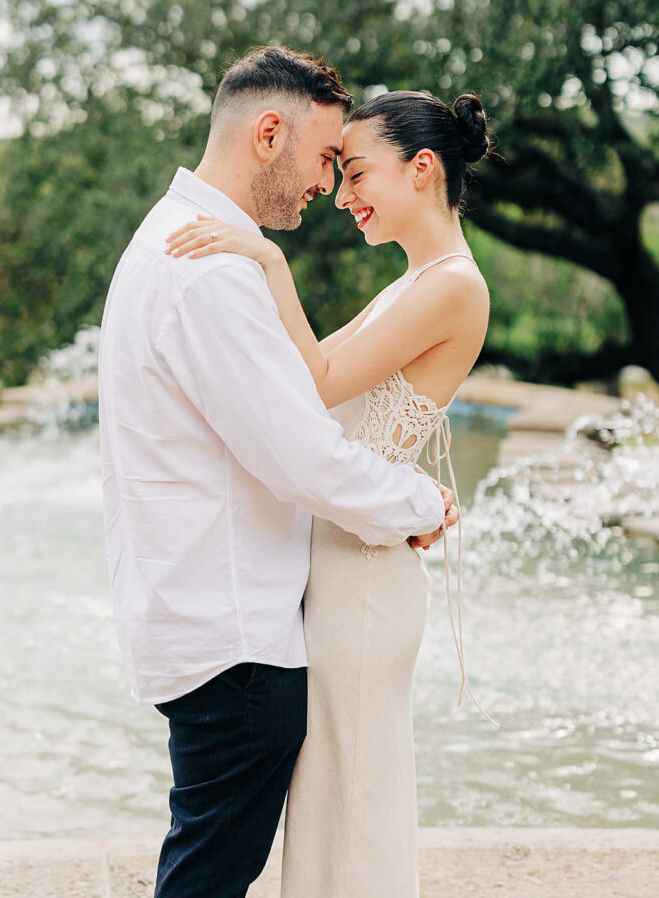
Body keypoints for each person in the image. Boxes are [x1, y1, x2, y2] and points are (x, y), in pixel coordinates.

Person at [98, 46, 457, 898]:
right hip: (234, 638)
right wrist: (420, 500)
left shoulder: (168, 241)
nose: (328, 188)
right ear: (269, 134)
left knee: (208, 864)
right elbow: (302, 455)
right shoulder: (210, 271)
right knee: (206, 878)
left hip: (200, 618)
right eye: (327, 159)